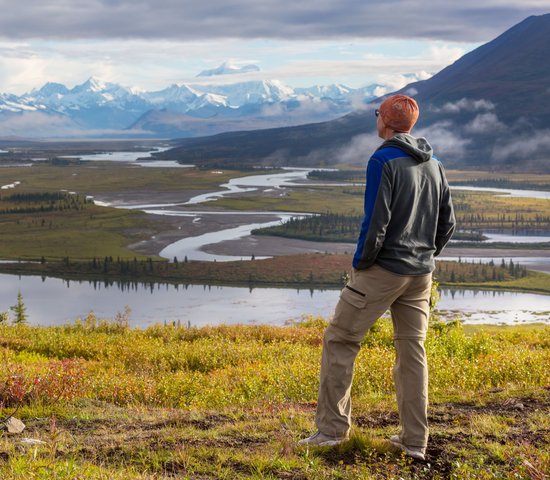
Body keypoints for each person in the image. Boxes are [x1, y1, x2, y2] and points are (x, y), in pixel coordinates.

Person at [298, 94, 456, 461]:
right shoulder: (435, 163)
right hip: (421, 274)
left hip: (383, 270)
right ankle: (415, 441)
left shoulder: (382, 159)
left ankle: (332, 431)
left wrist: (362, 264)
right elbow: (448, 223)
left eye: (377, 115)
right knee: (412, 350)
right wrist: (425, 255)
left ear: (384, 121)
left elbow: (375, 223)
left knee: (340, 340)